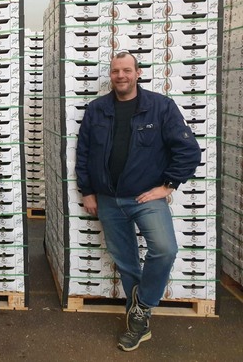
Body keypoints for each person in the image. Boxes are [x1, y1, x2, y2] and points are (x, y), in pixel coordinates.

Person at [75, 51, 201, 352]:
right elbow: (84, 152)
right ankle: (138, 325)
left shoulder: (160, 107)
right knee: (127, 262)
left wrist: (168, 185)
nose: (121, 76)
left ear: (138, 73)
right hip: (108, 199)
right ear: (111, 75)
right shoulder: (97, 110)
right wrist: (87, 191)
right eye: (115, 71)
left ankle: (141, 305)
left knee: (165, 249)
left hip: (145, 197)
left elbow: (189, 150)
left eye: (126, 70)